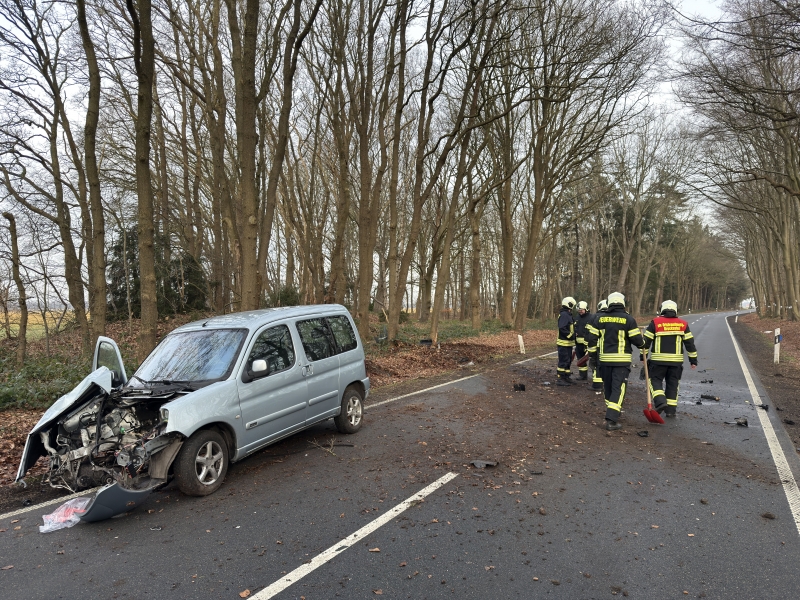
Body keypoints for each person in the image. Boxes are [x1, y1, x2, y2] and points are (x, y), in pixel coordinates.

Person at [585, 292, 645, 431]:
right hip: (621, 361)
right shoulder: (628, 319)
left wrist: (593, 355)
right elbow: (637, 340)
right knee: (618, 388)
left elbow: (592, 339)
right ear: (623, 303)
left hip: (604, 360)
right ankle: (611, 419)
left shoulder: (599, 319)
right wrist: (643, 344)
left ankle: (612, 410)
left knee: (608, 387)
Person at [641, 300, 698, 417]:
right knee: (673, 384)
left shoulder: (655, 322)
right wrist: (693, 360)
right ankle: (671, 411)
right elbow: (690, 344)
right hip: (676, 363)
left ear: (662, 309)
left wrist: (643, 356)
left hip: (658, 361)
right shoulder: (683, 324)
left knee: (654, 380)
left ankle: (660, 401)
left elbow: (646, 342)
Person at [556, 296, 577, 386]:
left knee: (568, 360)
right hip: (563, 343)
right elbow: (562, 328)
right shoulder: (564, 315)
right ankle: (560, 378)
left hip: (568, 343)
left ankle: (566, 376)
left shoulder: (568, 314)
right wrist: (571, 336)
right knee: (563, 361)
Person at [587, 299, 607, 390]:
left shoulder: (595, 317)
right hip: (611, 347)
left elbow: (590, 333)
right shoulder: (612, 317)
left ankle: (597, 385)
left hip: (598, 345)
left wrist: (589, 348)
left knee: (596, 365)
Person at [574, 301, 592, 380]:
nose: (580, 311)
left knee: (593, 361)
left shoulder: (591, 318)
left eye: (581, 310)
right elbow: (574, 327)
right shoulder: (576, 318)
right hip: (578, 344)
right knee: (580, 360)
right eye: (579, 310)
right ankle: (583, 376)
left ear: (586, 309)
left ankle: (597, 377)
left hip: (589, 344)